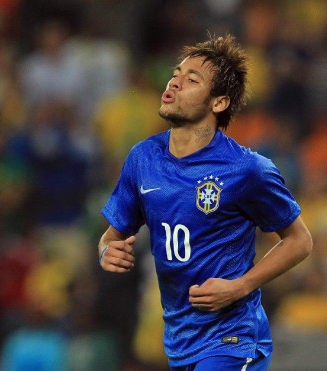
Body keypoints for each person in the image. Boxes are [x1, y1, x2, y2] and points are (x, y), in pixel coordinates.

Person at [98, 34, 313, 371]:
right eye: (176, 73)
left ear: (218, 103)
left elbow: (300, 240)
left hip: (232, 338)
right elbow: (111, 237)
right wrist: (106, 251)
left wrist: (240, 286)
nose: (175, 81)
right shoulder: (142, 159)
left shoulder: (247, 169)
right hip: (180, 342)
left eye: (191, 79)